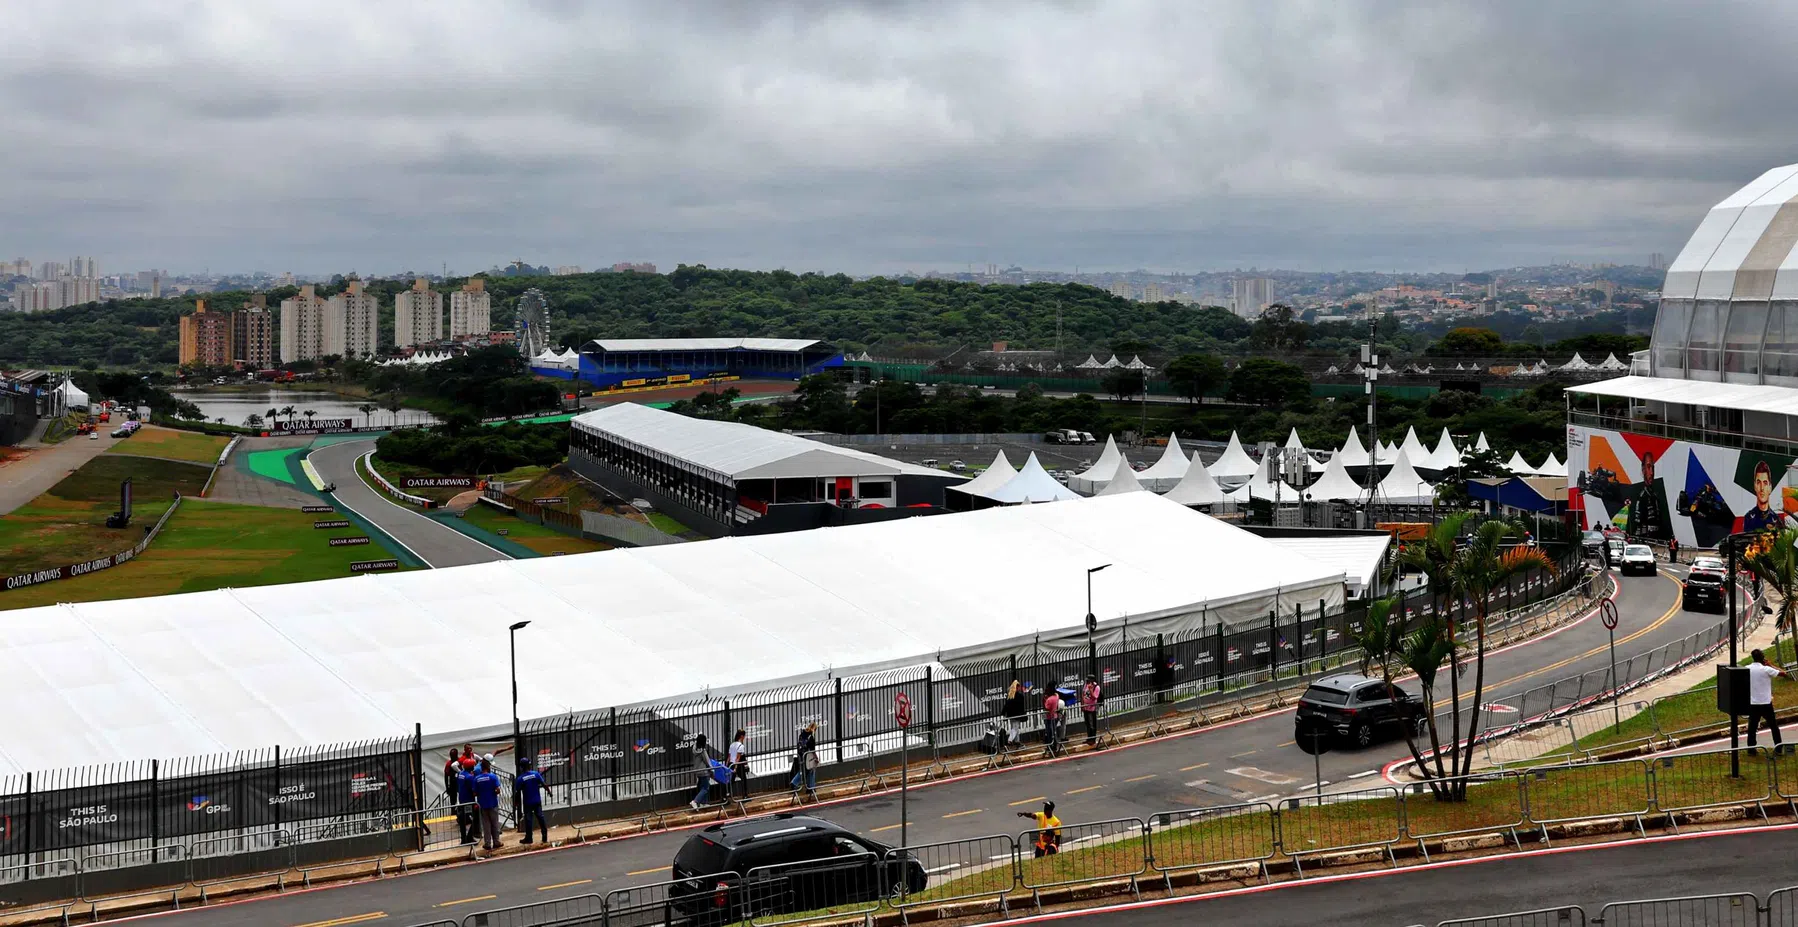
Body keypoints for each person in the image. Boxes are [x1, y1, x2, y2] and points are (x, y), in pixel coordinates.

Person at [1747, 648, 1791, 752]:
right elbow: (1784, 673)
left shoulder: (1747, 668)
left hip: (1753, 702)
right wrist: (1770, 665)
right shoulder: (1766, 669)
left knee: (1752, 727)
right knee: (1773, 726)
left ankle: (1751, 749)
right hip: (1766, 703)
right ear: (1762, 658)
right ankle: (1779, 747)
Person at [514, 757, 550, 845]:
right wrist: (549, 791)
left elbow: (517, 793)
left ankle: (529, 838)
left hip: (527, 802)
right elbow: (544, 784)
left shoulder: (520, 779)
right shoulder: (536, 774)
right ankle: (544, 836)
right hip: (537, 800)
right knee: (540, 817)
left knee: (529, 820)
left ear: (522, 767)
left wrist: (516, 803)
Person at [472, 758, 503, 851]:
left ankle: (487, 843)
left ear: (481, 768)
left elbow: (474, 793)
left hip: (482, 804)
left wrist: (482, 793)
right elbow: (498, 790)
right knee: (495, 823)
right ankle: (496, 842)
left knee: (486, 825)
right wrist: (492, 792)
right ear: (488, 767)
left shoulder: (477, 779)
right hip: (493, 803)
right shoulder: (493, 777)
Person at [788, 722, 820, 797]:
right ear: (814, 729)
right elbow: (812, 749)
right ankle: (796, 783)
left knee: (805, 771)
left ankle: (810, 787)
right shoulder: (811, 737)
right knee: (810, 770)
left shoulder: (802, 734)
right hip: (807, 756)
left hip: (800, 755)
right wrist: (816, 758)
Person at [454, 758, 480, 844]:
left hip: (462, 800)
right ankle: (469, 837)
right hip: (469, 801)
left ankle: (463, 838)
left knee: (463, 820)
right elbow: (474, 791)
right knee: (472, 819)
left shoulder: (460, 774)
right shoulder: (470, 777)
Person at [689, 733, 713, 810]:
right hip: (704, 771)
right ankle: (695, 801)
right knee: (705, 788)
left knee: (702, 786)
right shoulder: (703, 751)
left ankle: (703, 803)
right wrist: (712, 769)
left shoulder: (694, 748)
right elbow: (707, 761)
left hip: (697, 771)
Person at [1080, 675, 1103, 747]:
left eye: (1089, 680)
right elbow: (1083, 694)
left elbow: (1094, 697)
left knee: (1092, 724)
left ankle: (1093, 739)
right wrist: (1082, 705)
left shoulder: (1097, 687)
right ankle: (1089, 738)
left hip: (1092, 708)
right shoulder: (1086, 685)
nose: (1087, 682)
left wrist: (1090, 689)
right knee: (1087, 723)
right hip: (1086, 707)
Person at [728, 729, 751, 800]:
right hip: (738, 765)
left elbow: (729, 757)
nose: (744, 737)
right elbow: (738, 758)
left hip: (731, 764)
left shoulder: (732, 745)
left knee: (730, 781)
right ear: (741, 736)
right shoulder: (741, 746)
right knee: (743, 780)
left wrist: (726, 766)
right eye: (744, 736)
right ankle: (745, 796)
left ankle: (726, 796)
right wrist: (735, 768)